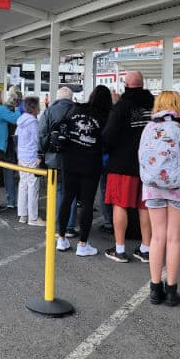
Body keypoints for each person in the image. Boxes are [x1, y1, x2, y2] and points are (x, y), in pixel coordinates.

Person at [139, 91, 180, 306]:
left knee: (157, 238)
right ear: (179, 105)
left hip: (153, 189)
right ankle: (172, 292)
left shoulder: (149, 127)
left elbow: (141, 158)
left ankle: (155, 289)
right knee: (174, 239)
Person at [102, 71, 154, 263]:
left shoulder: (121, 106)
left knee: (120, 204)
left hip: (123, 164)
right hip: (149, 166)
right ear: (143, 84)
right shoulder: (153, 104)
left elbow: (108, 136)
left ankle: (120, 249)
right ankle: (146, 248)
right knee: (145, 206)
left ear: (125, 85)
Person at [56, 85, 112, 256]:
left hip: (69, 159)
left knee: (67, 197)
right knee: (87, 203)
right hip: (91, 163)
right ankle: (82, 244)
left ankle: (62, 238)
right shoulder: (105, 116)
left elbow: (62, 128)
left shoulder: (75, 108)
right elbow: (108, 141)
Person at [38, 86, 78, 237]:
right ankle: (69, 227)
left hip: (53, 157)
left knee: (55, 190)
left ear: (58, 97)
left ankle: (56, 225)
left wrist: (41, 153)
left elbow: (41, 133)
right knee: (71, 191)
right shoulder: (78, 110)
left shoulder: (49, 111)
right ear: (71, 97)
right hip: (73, 157)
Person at [16, 96, 45, 226]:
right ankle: (33, 218)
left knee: (23, 185)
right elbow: (37, 140)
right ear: (34, 107)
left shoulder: (20, 120)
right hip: (32, 156)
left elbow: (16, 139)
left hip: (22, 156)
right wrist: (40, 156)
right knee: (33, 186)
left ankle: (22, 215)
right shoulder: (33, 122)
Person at [1, 88, 22, 209]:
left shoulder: (3, 110)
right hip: (20, 143)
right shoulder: (23, 111)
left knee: (8, 171)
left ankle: (11, 201)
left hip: (7, 143)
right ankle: (21, 201)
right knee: (23, 173)